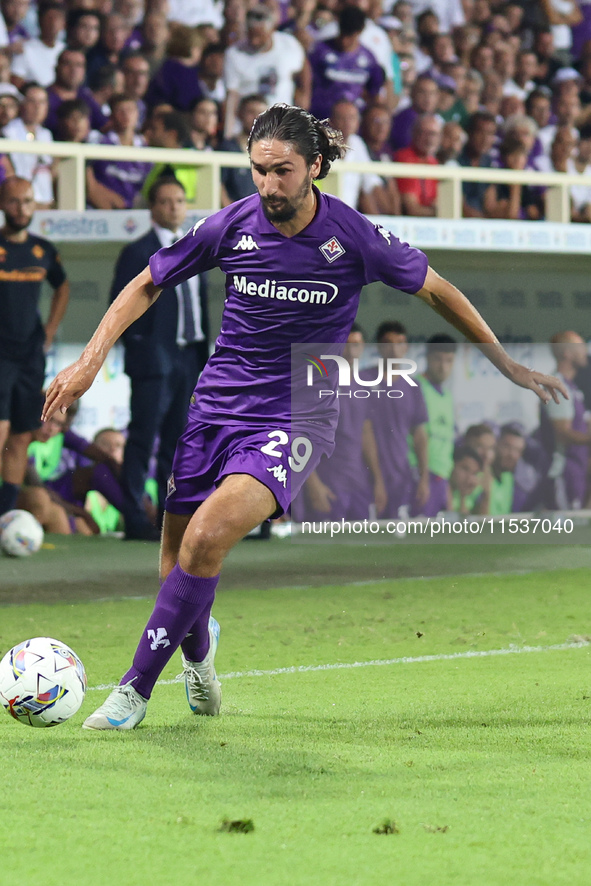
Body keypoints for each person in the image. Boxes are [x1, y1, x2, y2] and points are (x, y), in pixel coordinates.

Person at [42, 104, 566, 731]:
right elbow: (146, 283)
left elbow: (437, 290)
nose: (268, 186)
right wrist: (89, 363)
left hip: (297, 414)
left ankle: (131, 692)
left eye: (282, 171)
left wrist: (505, 363)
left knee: (207, 540)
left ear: (315, 166)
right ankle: (200, 658)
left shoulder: (354, 237)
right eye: (258, 171)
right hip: (214, 407)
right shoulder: (230, 226)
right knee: (176, 572)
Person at [109, 176, 209, 540]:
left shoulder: (196, 248)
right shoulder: (138, 252)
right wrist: (141, 348)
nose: (173, 207)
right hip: (153, 363)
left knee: (177, 445)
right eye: (166, 201)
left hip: (189, 358)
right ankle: (134, 518)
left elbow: (198, 305)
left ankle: (169, 521)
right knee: (141, 440)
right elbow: (119, 307)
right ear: (153, 207)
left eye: (179, 201)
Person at [0, 176, 69, 516]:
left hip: (29, 355)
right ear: (2, 203)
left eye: (27, 201)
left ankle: (4, 515)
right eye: (14, 201)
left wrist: (50, 330)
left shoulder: (43, 250)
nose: (21, 208)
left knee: (21, 436)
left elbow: (62, 286)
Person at [538, 331, 591, 510]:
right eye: (581, 347)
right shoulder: (557, 386)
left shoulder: (573, 387)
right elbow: (563, 433)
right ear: (566, 353)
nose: (586, 352)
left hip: (577, 469)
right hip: (563, 471)